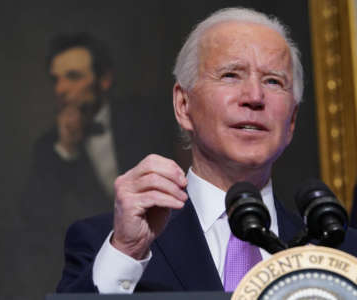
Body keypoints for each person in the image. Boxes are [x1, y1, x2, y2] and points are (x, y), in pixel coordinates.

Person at [56, 8, 357, 294]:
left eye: (273, 81)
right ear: (183, 105)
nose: (254, 96)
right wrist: (128, 251)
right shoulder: (109, 245)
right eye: (231, 75)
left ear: (291, 120)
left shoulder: (342, 255)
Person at [21, 32, 174, 298]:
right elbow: (37, 224)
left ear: (103, 80)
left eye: (73, 76)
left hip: (162, 266)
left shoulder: (144, 121)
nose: (61, 89)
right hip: (88, 275)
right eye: (56, 79)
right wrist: (66, 150)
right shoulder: (48, 148)